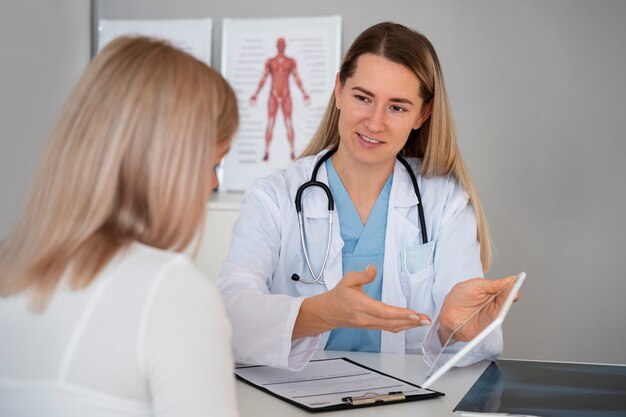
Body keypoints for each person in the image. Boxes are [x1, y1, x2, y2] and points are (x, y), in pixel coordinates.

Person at [217, 22, 518, 371]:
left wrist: (454, 327)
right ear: (339, 90)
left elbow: (472, 343)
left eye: (397, 107)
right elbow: (228, 313)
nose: (375, 123)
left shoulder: (444, 203)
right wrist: (321, 313)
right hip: (293, 397)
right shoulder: (275, 196)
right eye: (363, 98)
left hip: (404, 401)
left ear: (423, 114)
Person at [0, 36, 239, 417]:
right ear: (170, 164)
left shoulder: (9, 267)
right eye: (212, 164)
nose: (212, 185)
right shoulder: (173, 295)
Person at [250, 37, 310, 161]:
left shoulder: (290, 61)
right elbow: (264, 78)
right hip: (274, 94)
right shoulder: (271, 62)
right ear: (277, 45)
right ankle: (266, 151)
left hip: (285, 95)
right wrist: (256, 93)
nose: (281, 45)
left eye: (283, 43)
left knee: (288, 123)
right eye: (280, 43)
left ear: (285, 45)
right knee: (270, 123)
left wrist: (304, 93)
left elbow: (296, 77)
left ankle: (292, 151)